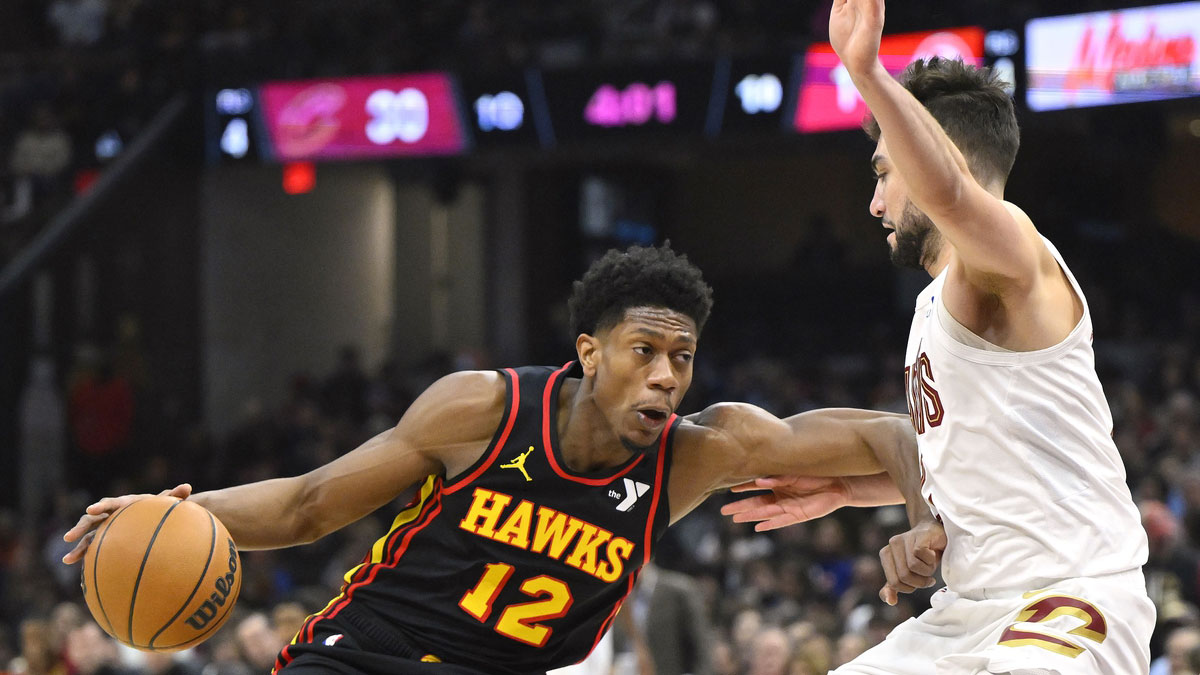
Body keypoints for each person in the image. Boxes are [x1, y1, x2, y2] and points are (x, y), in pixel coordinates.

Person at [64, 244, 916, 675]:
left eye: (682, 357)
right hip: (369, 654)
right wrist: (174, 512)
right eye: (643, 350)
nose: (664, 375)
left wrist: (924, 521)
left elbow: (893, 435)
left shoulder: (702, 451)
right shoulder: (484, 408)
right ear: (589, 351)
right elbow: (308, 506)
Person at [724, 1, 1154, 673]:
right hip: (966, 611)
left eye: (883, 173)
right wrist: (856, 488)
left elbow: (951, 193)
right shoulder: (936, 305)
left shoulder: (1014, 256)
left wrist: (866, 72)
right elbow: (971, 456)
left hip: (1070, 600)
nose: (874, 204)